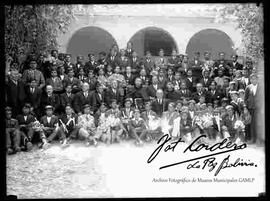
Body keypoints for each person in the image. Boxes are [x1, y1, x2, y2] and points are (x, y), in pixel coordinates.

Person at [244, 73, 260, 144]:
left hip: (259, 109)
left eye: (255, 78)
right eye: (252, 79)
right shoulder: (248, 87)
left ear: (257, 79)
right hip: (250, 109)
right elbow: (245, 99)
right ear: (250, 80)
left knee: (258, 124)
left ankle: (258, 139)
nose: (253, 80)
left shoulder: (261, 87)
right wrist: (245, 108)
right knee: (251, 124)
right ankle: (252, 139)